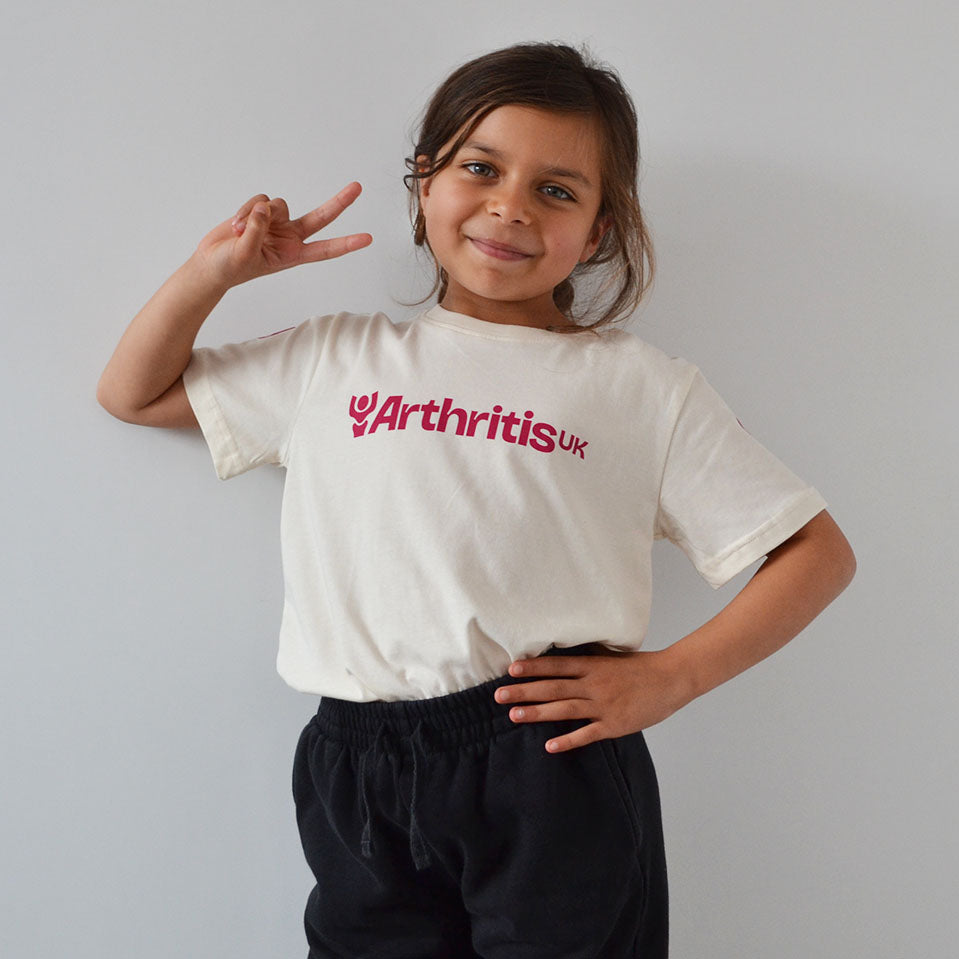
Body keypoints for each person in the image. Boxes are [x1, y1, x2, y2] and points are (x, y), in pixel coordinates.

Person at [97, 41, 856, 959]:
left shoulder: (640, 388)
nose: (509, 206)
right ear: (423, 183)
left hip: (545, 760)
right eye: (479, 168)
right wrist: (212, 275)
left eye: (557, 190)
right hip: (355, 764)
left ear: (600, 231)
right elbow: (133, 394)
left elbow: (816, 553)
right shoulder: (335, 358)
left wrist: (671, 677)